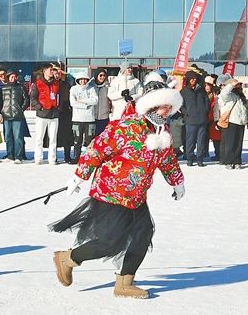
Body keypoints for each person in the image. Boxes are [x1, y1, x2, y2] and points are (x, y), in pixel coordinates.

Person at [50, 72, 185, 299]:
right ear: (151, 106)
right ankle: (67, 258)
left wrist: (177, 182)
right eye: (164, 107)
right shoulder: (126, 127)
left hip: (137, 196)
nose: (168, 111)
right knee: (109, 242)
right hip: (111, 193)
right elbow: (96, 149)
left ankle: (124, 283)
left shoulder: (162, 132)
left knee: (143, 235)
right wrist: (79, 177)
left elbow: (168, 160)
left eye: (170, 107)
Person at [30, 63, 60, 165]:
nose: (52, 72)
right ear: (44, 71)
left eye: (53, 70)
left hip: (54, 114)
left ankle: (52, 159)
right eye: (50, 70)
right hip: (42, 114)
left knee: (53, 139)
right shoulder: (37, 83)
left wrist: (59, 106)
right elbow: (33, 98)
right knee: (39, 138)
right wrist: (40, 107)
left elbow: (59, 95)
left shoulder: (56, 83)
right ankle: (38, 158)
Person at [218, 78, 248, 169]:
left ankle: (237, 161)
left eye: (239, 85)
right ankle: (228, 161)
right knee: (230, 143)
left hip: (241, 122)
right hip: (232, 121)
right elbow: (224, 93)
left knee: (239, 143)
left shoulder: (242, 96)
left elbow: (246, 109)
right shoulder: (228, 96)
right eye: (237, 85)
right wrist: (231, 84)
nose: (239, 86)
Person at [180, 69, 210, 167]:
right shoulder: (183, 92)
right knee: (190, 141)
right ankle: (190, 158)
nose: (194, 80)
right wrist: (186, 113)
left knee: (201, 141)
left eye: (195, 78)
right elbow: (181, 105)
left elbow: (207, 101)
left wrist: (205, 110)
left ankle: (200, 159)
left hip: (202, 119)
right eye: (191, 79)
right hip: (190, 120)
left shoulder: (201, 90)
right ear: (188, 80)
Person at [68, 71, 98, 164]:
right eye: (80, 80)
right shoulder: (73, 89)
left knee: (90, 140)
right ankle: (76, 157)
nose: (83, 81)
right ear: (77, 80)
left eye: (85, 79)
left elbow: (95, 100)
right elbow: (73, 103)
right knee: (77, 140)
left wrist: (81, 100)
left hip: (90, 119)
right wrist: (86, 105)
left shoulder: (91, 89)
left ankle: (89, 158)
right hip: (77, 119)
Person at [0, 70, 28, 163]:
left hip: (17, 116)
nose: (13, 78)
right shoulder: (3, 88)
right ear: (8, 77)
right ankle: (10, 155)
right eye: (12, 76)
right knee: (8, 137)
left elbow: (26, 100)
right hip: (6, 116)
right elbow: (0, 101)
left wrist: (21, 109)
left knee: (18, 137)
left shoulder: (21, 87)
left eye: (15, 76)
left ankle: (18, 156)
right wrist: (2, 111)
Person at [204, 77, 221, 162]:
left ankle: (218, 154)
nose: (207, 87)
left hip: (213, 119)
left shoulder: (215, 95)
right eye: (205, 85)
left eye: (208, 85)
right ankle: (205, 152)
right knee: (205, 137)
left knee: (216, 137)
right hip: (205, 119)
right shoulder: (202, 95)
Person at [90, 69, 111, 137]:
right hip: (92, 115)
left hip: (104, 116)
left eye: (104, 75)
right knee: (92, 136)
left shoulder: (108, 86)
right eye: (100, 75)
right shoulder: (90, 86)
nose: (102, 77)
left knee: (102, 136)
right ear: (96, 76)